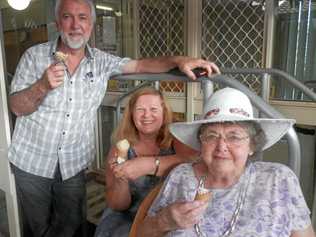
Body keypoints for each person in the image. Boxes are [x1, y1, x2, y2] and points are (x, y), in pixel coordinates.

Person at [7, 0, 219, 236]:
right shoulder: (34, 57)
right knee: (38, 227)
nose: (76, 24)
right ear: (58, 23)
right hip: (32, 161)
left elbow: (141, 65)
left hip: (72, 163)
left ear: (92, 25)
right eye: (68, 17)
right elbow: (16, 107)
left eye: (83, 17)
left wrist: (179, 61)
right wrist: (42, 86)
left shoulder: (102, 61)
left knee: (71, 225)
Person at [138, 87, 315, 237]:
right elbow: (141, 233)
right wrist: (164, 221)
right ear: (201, 143)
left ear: (252, 145)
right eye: (212, 136)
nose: (221, 146)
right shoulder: (181, 176)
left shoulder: (278, 179)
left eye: (234, 136)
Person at [94, 87, 198, 237]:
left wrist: (149, 165)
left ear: (164, 112)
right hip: (128, 216)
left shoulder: (176, 137)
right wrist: (121, 180)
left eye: (153, 109)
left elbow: (192, 162)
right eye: (140, 109)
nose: (146, 115)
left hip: (168, 213)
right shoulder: (120, 148)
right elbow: (118, 205)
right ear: (131, 114)